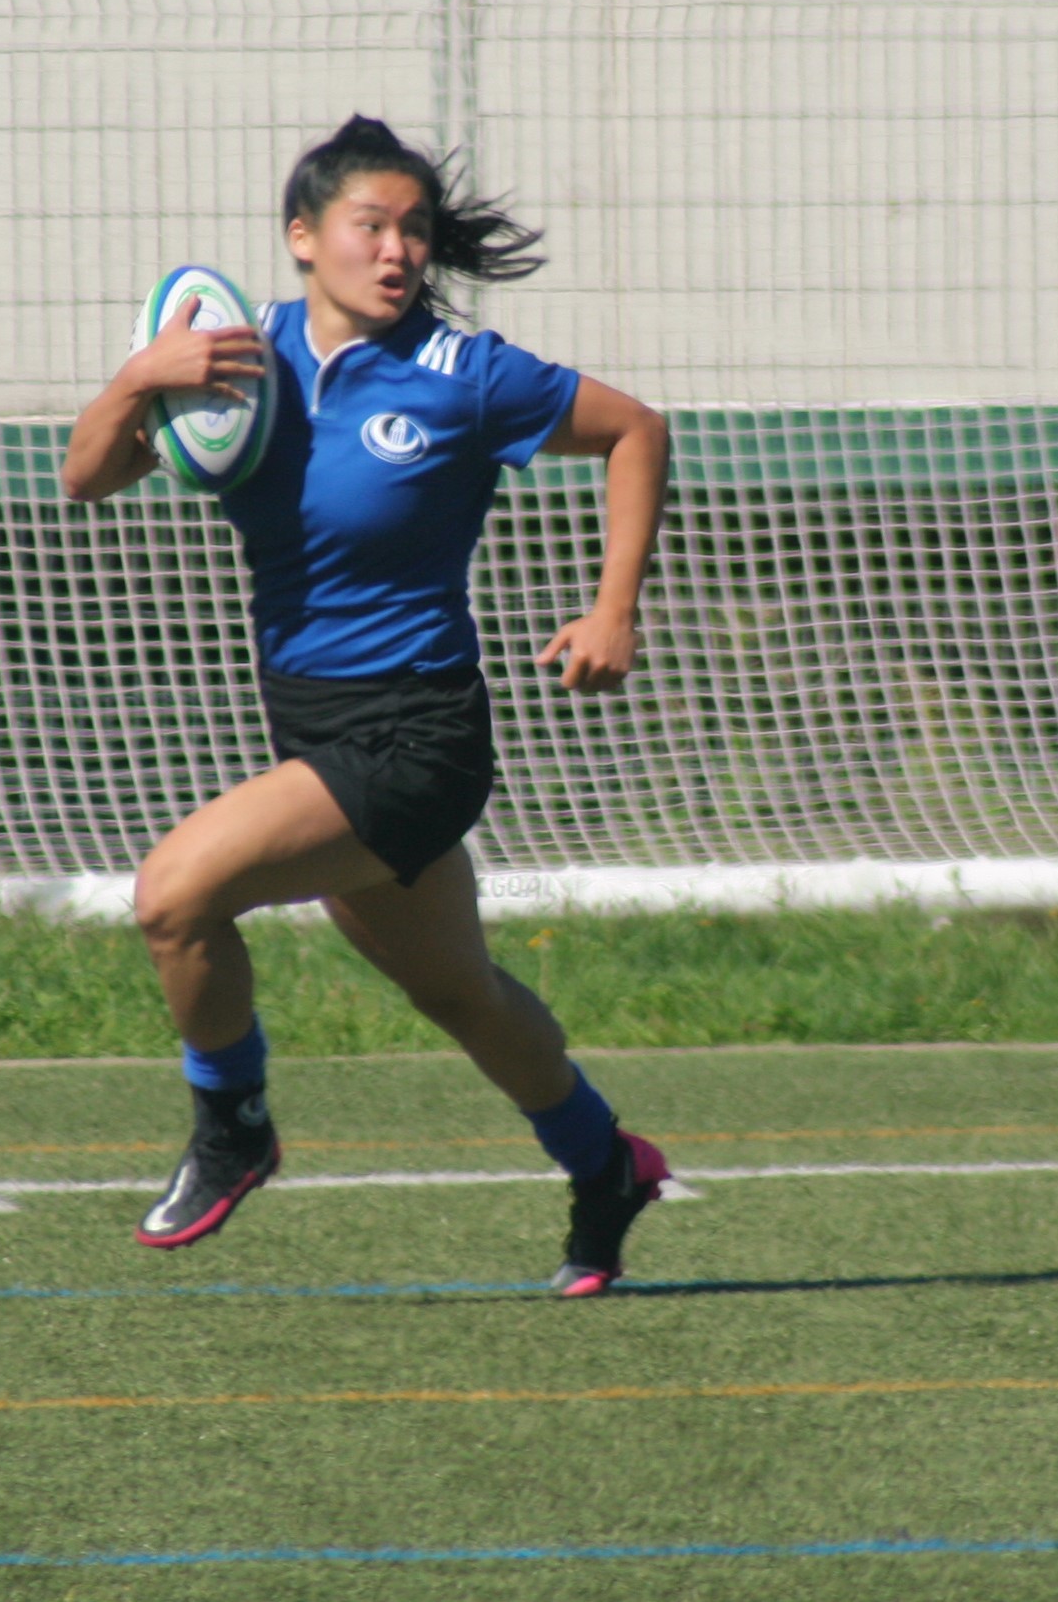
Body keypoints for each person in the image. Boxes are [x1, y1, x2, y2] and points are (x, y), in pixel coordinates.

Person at [59, 116, 673, 1294]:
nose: (398, 253)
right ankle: (607, 1166)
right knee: (461, 996)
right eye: (370, 227)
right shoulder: (240, 371)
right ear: (302, 238)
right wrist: (141, 377)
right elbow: (84, 476)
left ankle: (231, 1125)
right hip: (314, 726)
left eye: (416, 232)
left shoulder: (465, 374)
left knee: (173, 898)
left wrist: (612, 612)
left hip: (418, 736)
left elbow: (633, 430)